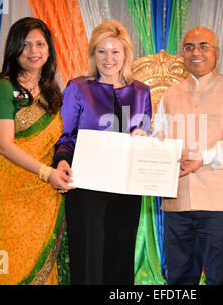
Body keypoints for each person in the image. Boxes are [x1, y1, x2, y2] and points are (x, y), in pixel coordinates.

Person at [153, 27, 223, 285]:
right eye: (189, 47)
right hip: (177, 203)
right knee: (178, 279)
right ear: (182, 53)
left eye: (203, 46)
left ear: (216, 52)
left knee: (219, 278)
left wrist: (206, 156)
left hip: (219, 205)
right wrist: (156, 145)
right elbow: (159, 137)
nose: (195, 52)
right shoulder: (170, 95)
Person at [52, 20, 152, 285]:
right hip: (86, 188)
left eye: (115, 51)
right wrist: (61, 161)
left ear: (125, 55)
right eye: (102, 51)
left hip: (127, 188)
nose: (108, 58)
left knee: (121, 258)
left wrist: (145, 138)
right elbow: (66, 136)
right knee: (88, 260)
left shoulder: (142, 92)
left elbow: (146, 133)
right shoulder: (78, 88)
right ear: (93, 53)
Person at [0, 17, 74, 285]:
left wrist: (62, 164)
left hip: (43, 196)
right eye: (26, 44)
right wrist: (47, 173)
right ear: (15, 49)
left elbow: (59, 140)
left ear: (48, 48)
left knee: (42, 264)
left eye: (40, 44)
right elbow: (5, 145)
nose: (34, 51)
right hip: (5, 193)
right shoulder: (3, 88)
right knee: (8, 268)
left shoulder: (53, 91)